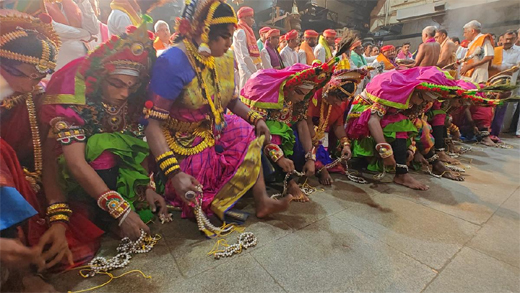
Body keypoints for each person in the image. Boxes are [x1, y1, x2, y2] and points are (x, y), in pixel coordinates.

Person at [145, 0, 292, 227]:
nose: (228, 43)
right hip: (180, 140)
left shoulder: (223, 58)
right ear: (204, 32)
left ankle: (262, 200)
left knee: (246, 130)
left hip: (214, 127)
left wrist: (257, 118)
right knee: (197, 189)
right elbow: (152, 124)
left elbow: (232, 101)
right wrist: (174, 173)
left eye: (231, 37)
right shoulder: (173, 61)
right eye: (224, 36)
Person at [41, 19, 168, 260]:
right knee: (102, 149)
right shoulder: (77, 100)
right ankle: (104, 218)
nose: (124, 93)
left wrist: (146, 189)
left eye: (131, 87)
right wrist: (120, 212)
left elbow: (134, 148)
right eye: (116, 84)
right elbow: (76, 164)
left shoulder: (129, 102)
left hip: (110, 178)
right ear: (100, 78)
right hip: (72, 176)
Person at [0, 9, 62, 292]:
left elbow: (50, 159)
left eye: (41, 75)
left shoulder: (34, 99)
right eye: (31, 75)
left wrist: (59, 218)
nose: (36, 84)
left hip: (24, 191)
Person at [346, 67, 476, 190]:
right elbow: (373, 121)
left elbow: (414, 123)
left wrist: (412, 148)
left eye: (425, 101)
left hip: (386, 118)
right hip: (363, 114)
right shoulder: (391, 89)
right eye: (421, 98)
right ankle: (402, 174)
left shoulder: (419, 101)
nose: (421, 103)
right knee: (398, 124)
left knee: (420, 125)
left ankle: (434, 162)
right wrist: (386, 152)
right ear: (416, 91)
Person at [241, 58, 338, 201]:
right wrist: (279, 159)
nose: (302, 98)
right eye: (300, 93)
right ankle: (289, 182)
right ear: (290, 86)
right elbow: (262, 131)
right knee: (277, 135)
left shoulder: (299, 100)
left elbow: (302, 125)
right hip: (256, 134)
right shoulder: (266, 95)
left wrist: (310, 158)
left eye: (306, 94)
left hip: (279, 134)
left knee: (297, 144)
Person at [307, 61, 366, 185]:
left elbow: (338, 125)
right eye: (338, 99)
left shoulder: (341, 102)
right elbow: (306, 121)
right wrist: (315, 142)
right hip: (305, 130)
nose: (340, 104)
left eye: (343, 100)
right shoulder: (316, 93)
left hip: (320, 136)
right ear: (330, 90)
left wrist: (345, 144)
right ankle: (320, 167)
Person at [459, 20, 495, 146]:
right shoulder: (472, 43)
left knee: (479, 107)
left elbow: (489, 56)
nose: (464, 35)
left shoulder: (483, 39)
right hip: (468, 79)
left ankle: (484, 135)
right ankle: (469, 132)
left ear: (472, 31)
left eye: (465, 32)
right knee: (465, 105)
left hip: (478, 78)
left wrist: (469, 67)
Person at [46, 0, 100, 71]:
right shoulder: (38, 4)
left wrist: (83, 2)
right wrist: (86, 34)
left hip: (81, 66)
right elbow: (52, 28)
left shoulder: (70, 4)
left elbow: (93, 29)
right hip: (59, 67)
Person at [489, 30, 520, 141]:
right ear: (502, 39)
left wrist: (503, 68)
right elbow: (491, 65)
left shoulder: (518, 51)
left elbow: (516, 67)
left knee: (502, 107)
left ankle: (496, 131)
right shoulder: (496, 50)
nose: (507, 41)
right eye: (506, 39)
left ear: (515, 39)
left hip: (508, 83)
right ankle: (486, 130)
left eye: (510, 39)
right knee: (490, 106)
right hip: (493, 82)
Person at [233, 6, 261, 90]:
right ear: (244, 18)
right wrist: (254, 71)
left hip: (248, 67)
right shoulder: (241, 31)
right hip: (246, 68)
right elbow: (244, 55)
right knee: (246, 95)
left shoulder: (246, 30)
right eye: (251, 17)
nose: (253, 20)